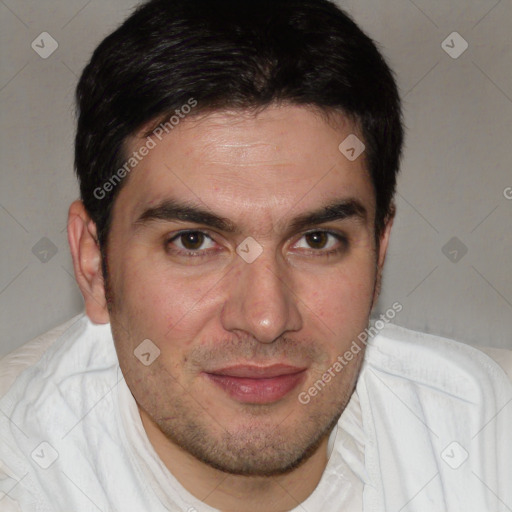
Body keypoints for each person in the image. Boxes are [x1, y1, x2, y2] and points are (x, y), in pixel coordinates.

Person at [0, 1, 510, 511]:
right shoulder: (22, 477)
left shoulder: (481, 435)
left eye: (316, 240)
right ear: (94, 266)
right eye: (194, 241)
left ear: (379, 255)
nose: (266, 318)